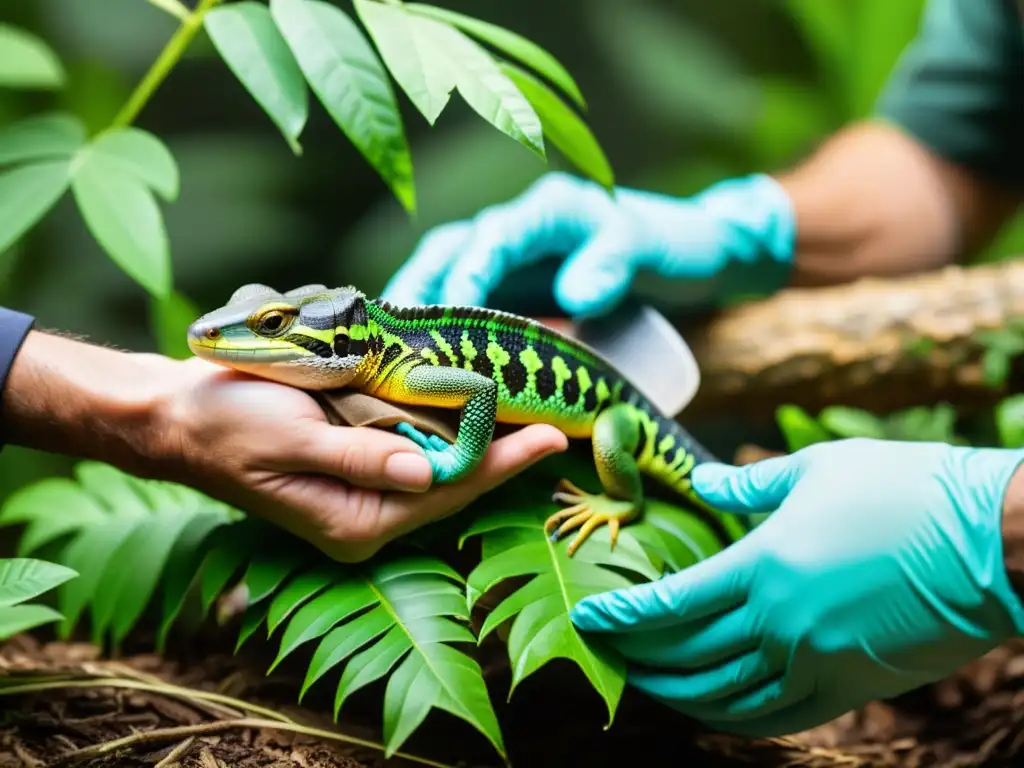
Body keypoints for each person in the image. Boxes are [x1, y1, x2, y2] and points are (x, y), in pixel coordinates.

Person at [380, 0, 1024, 740]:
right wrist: (742, 227)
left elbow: (482, 396)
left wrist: (996, 525)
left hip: (623, 426)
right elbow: (947, 152)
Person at [0, 312, 568, 564]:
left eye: (273, 326)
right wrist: (162, 411)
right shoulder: (376, 363)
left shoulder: (404, 369)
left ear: (344, 340)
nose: (214, 331)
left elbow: (479, 390)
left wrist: (462, 458)